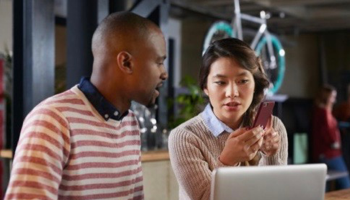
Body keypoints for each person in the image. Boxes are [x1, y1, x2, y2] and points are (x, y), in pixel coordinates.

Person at [5, 11, 168, 200]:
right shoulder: (53, 119)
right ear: (126, 62)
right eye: (159, 62)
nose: (164, 74)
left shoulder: (129, 123)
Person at [168, 38, 288, 200]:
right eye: (220, 82)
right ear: (205, 87)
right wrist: (227, 161)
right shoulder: (185, 137)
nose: (232, 92)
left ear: (255, 85)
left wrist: (270, 155)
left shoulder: (272, 126)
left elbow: (275, 195)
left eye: (243, 81)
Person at [311, 84, 350, 190]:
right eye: (333, 97)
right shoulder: (324, 113)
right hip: (329, 154)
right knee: (347, 186)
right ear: (326, 97)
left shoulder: (318, 111)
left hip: (321, 154)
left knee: (325, 187)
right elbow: (329, 134)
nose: (334, 100)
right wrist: (336, 143)